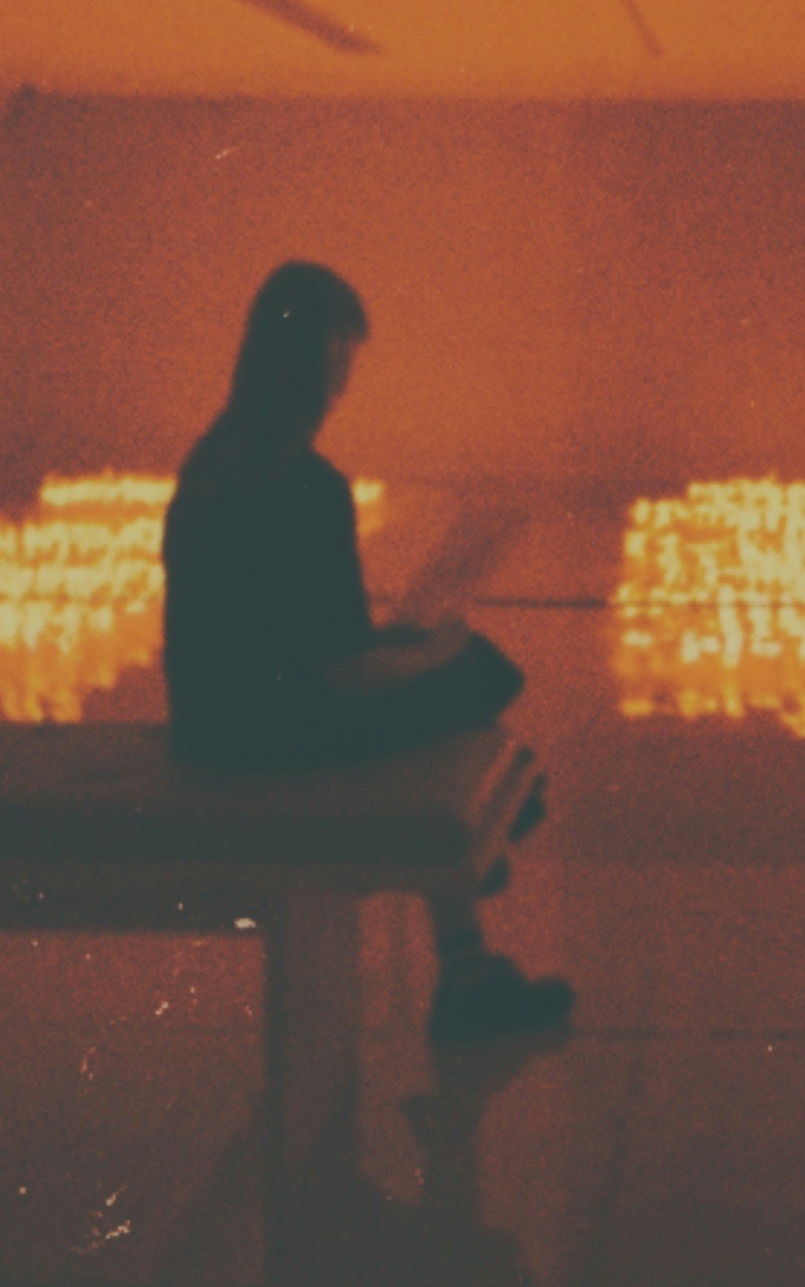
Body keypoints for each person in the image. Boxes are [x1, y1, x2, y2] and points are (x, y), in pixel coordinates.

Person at [163, 262, 574, 1049]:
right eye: (343, 362)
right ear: (319, 364)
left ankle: (471, 952)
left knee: (451, 692)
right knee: (479, 672)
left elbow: (287, 636)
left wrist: (393, 648)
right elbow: (344, 674)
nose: (345, 385)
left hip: (209, 722)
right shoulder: (310, 489)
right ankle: (483, 875)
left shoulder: (210, 463)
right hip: (271, 740)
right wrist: (433, 652)